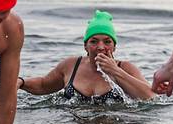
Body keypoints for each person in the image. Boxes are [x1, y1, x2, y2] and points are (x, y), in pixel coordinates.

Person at [18, 10, 155, 103]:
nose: (101, 47)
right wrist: (20, 82)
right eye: (94, 41)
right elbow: (43, 85)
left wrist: (115, 71)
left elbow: (150, 98)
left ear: (114, 47)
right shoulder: (71, 65)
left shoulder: (125, 68)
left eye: (107, 42)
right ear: (85, 46)